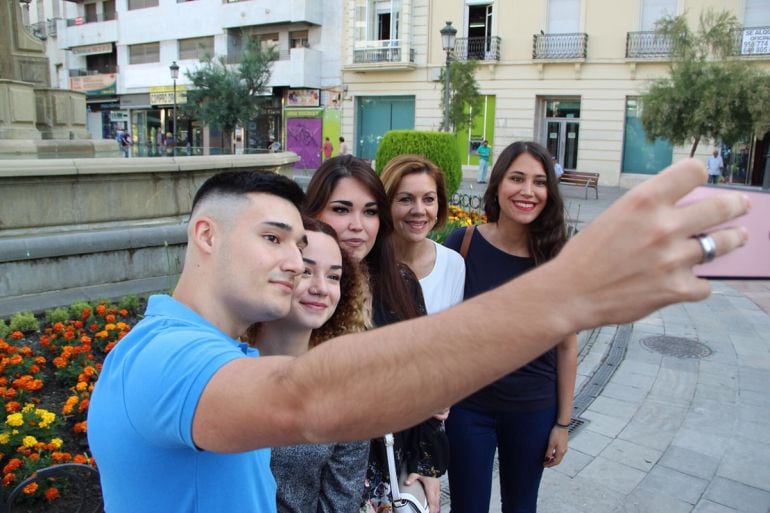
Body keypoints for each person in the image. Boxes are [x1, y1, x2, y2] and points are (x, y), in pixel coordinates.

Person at [87, 159, 749, 512]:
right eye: (273, 239)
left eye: (302, 241)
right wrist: (567, 291)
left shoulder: (226, 349)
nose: (296, 261)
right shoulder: (161, 356)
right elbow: (305, 400)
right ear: (205, 235)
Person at [303, 155, 448, 513]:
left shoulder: (399, 282)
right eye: (341, 209)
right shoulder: (296, 287)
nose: (357, 226)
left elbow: (424, 377)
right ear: (313, 213)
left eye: (369, 212)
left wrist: (426, 466)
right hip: (316, 481)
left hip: (387, 476)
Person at [445, 141, 577, 513]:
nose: (527, 191)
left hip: (533, 410)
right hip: (469, 408)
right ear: (498, 184)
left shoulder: (557, 259)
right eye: (517, 178)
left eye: (538, 182)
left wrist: (563, 424)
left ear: (549, 193)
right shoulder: (464, 243)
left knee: (521, 507)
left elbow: (567, 346)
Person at [247, 217, 369, 513]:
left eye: (334, 277)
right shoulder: (221, 361)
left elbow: (341, 503)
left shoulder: (343, 390)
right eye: (306, 271)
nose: (321, 288)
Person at [380, 154, 465, 314]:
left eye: (428, 199)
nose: (419, 210)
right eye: (406, 199)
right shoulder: (368, 263)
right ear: (386, 204)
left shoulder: (453, 264)